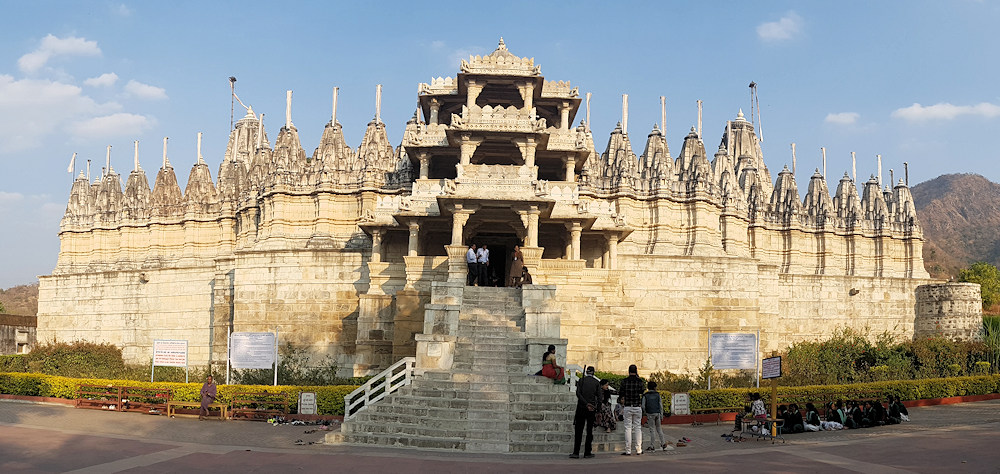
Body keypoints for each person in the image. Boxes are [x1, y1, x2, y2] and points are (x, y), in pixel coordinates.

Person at [570, 366, 600, 459]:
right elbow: (599, 398)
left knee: (578, 431)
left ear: (586, 372)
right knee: (589, 431)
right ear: (593, 373)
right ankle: (587, 452)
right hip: (591, 409)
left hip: (581, 407)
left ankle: (576, 452)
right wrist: (596, 409)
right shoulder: (596, 382)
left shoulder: (581, 381)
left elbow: (578, 394)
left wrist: (585, 403)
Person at [619, 364, 645, 455]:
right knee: (638, 427)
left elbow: (621, 393)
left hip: (628, 406)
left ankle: (628, 450)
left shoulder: (624, 381)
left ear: (629, 371)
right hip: (637, 406)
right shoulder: (639, 381)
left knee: (628, 428)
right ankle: (639, 449)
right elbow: (642, 391)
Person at [642, 381, 670, 451]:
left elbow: (643, 406)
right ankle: (663, 443)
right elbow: (660, 405)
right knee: (659, 429)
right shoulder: (657, 394)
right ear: (655, 387)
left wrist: (645, 412)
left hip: (650, 413)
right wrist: (661, 414)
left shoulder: (645, 395)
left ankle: (652, 445)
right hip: (657, 413)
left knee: (652, 430)